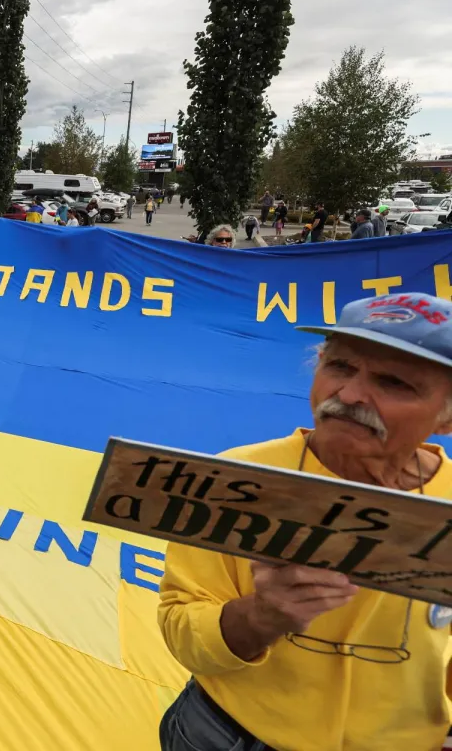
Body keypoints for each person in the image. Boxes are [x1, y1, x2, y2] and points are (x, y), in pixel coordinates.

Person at [159, 292, 452, 750]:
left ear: (447, 416)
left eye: (394, 383)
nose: (350, 395)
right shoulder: (234, 479)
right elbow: (181, 629)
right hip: (227, 736)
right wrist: (260, 618)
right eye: (339, 367)